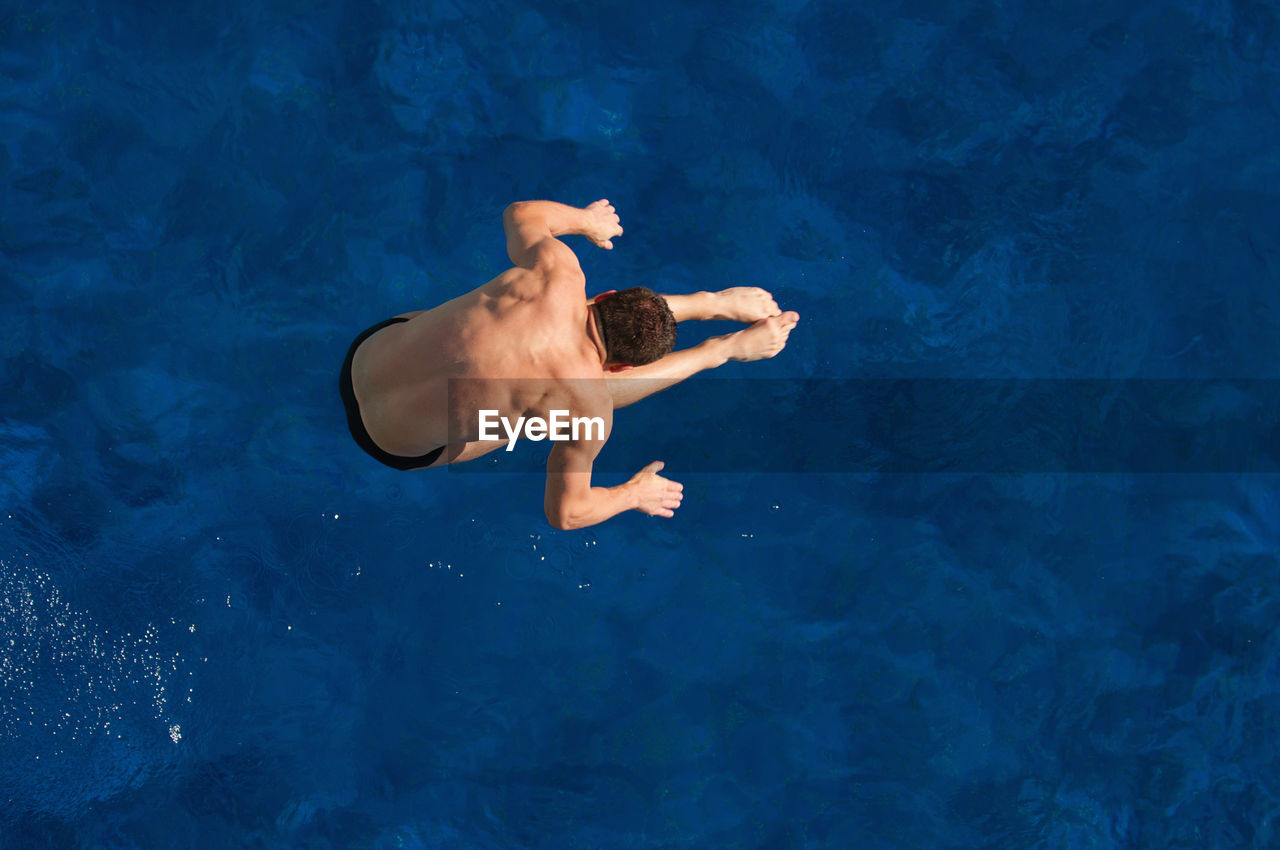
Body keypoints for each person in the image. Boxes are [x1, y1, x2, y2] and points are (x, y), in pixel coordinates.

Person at [339, 199, 799, 529]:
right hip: (390, 446)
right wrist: (632, 495)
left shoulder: (558, 269)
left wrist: (586, 222)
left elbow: (520, 214)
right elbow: (566, 514)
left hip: (365, 353)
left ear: (604, 294)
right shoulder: (589, 407)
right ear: (619, 368)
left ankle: (708, 303)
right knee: (565, 405)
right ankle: (718, 351)